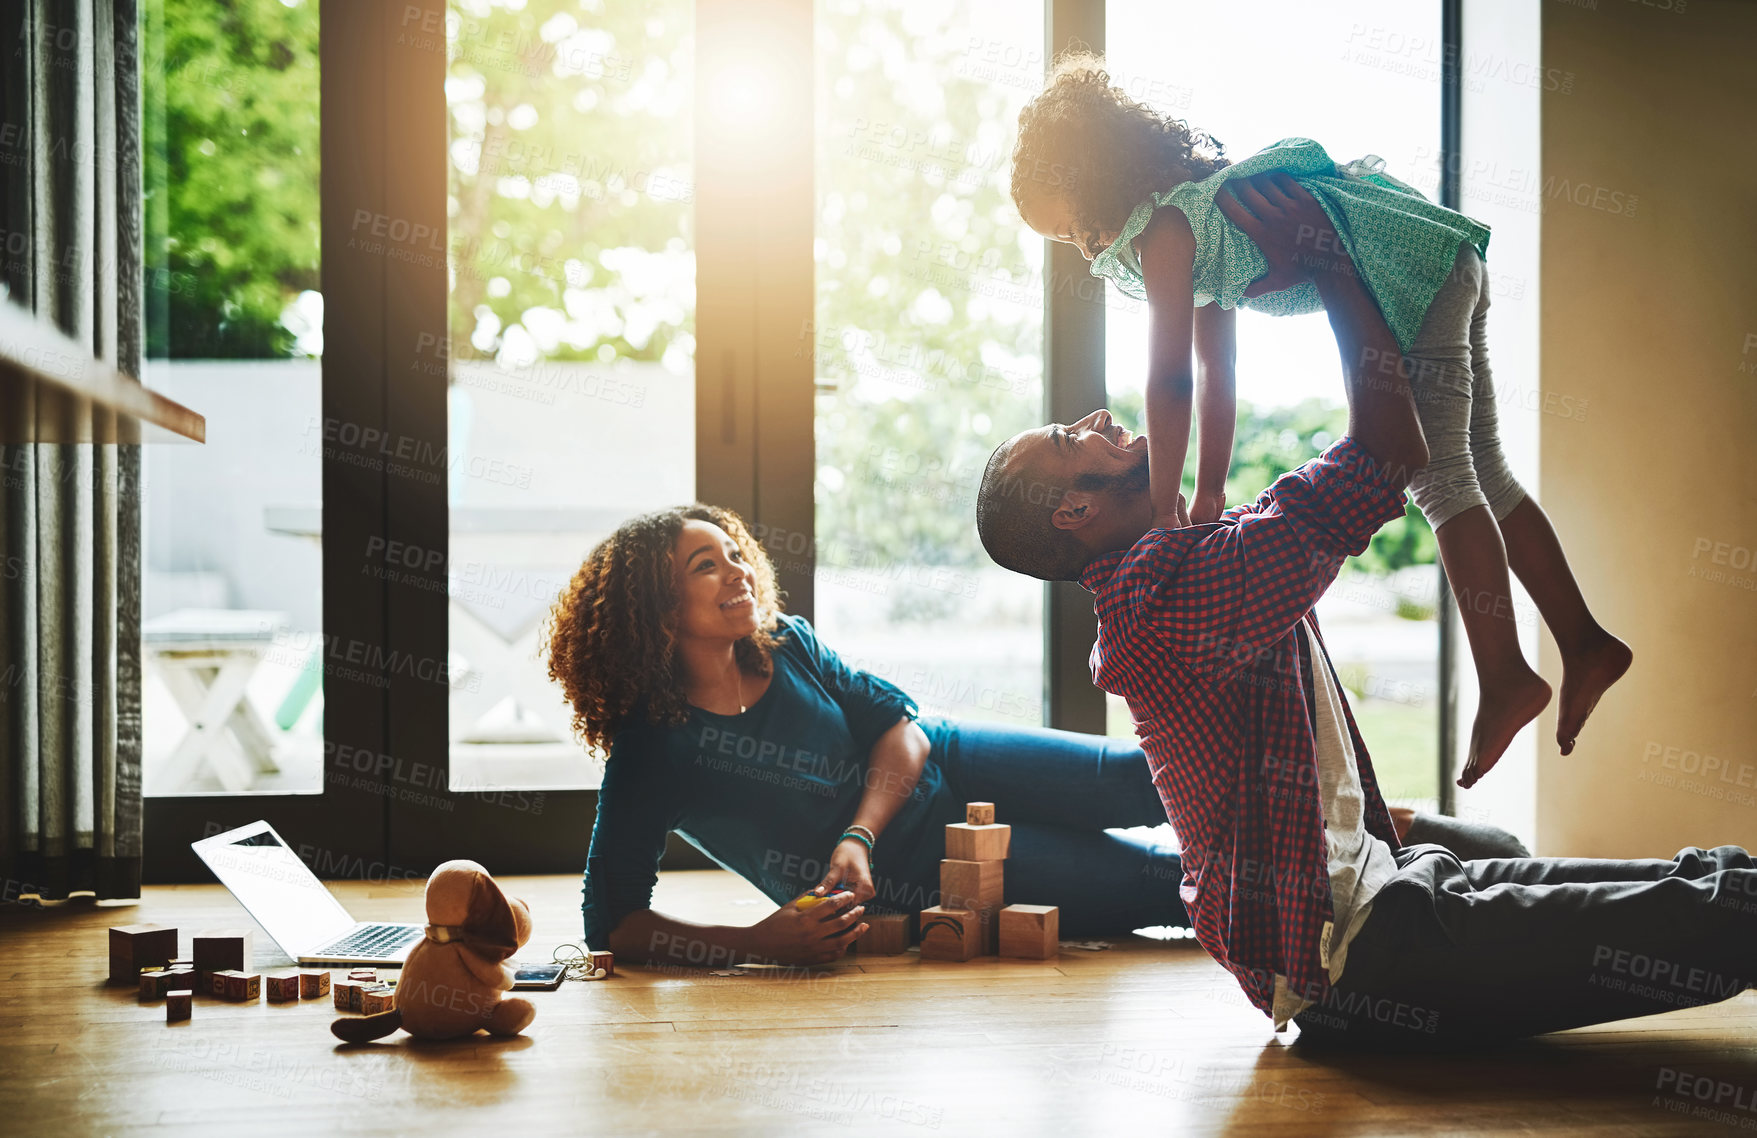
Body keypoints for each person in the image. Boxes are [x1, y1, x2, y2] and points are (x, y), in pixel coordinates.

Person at [975, 173, 1757, 1048]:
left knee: (1701, 888)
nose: (1089, 418)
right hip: (1361, 954)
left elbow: (1210, 391)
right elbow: (1386, 455)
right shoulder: (1169, 600)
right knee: (1720, 911)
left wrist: (1208, 281)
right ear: (1072, 513)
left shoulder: (1167, 567)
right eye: (1065, 440)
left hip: (1373, 906)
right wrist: (1336, 267)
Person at [1008, 51, 1630, 788]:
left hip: (1408, 277)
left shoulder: (1165, 229)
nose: (1087, 251)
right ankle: (1584, 640)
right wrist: (1203, 497)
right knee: (1485, 469)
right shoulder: (1190, 208)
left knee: (1442, 477)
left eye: (1076, 231)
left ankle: (1504, 675)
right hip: (1441, 260)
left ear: (1090, 181)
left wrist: (1160, 502)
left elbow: (1170, 377)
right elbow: (1217, 373)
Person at [543, 504, 1518, 971]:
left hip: (951, 764)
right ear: (651, 607)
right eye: (701, 566)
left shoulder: (786, 643)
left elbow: (903, 726)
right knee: (1155, 885)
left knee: (1153, 775)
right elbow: (610, 919)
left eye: (730, 554)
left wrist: (855, 834)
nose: (733, 573)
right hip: (934, 874)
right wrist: (753, 941)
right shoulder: (652, 749)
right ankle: (1398, 898)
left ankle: (1402, 832)